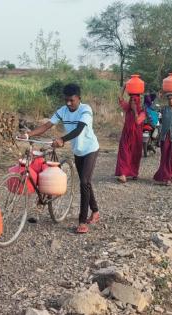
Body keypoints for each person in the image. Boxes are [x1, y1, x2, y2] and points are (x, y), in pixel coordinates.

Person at [20, 83, 100, 234]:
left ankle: (82, 221)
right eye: (66, 100)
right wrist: (28, 134)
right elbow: (47, 126)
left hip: (90, 149)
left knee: (83, 182)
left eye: (72, 100)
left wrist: (62, 140)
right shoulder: (63, 111)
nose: (69, 103)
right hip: (78, 150)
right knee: (86, 181)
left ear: (79, 98)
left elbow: (79, 129)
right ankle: (95, 211)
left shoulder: (85, 110)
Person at [115, 85, 144, 183]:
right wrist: (123, 87)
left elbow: (138, 121)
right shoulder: (127, 108)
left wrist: (135, 110)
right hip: (126, 135)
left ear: (138, 102)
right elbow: (120, 98)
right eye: (131, 100)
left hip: (136, 136)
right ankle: (123, 174)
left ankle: (133, 173)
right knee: (124, 153)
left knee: (135, 154)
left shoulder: (142, 111)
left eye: (134, 101)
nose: (132, 102)